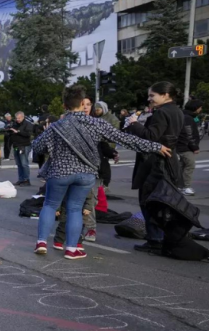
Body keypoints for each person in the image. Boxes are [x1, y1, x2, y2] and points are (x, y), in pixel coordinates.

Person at [33, 85, 168, 259]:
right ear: (83, 103)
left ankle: (42, 242)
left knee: (50, 205)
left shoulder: (55, 127)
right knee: (75, 209)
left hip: (59, 173)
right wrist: (155, 147)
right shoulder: (96, 123)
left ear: (64, 106)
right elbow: (124, 139)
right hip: (86, 174)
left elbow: (37, 147)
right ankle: (72, 249)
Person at [126, 82, 209, 260]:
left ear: (166, 95)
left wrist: (134, 124)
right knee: (161, 200)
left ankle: (155, 238)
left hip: (156, 162)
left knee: (149, 201)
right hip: (169, 159)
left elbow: (151, 137)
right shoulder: (177, 111)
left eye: (152, 96)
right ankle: (159, 237)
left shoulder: (161, 112)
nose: (149, 99)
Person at [178, 99, 203, 196]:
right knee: (190, 165)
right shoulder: (188, 118)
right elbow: (189, 134)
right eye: (200, 107)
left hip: (181, 145)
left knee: (182, 166)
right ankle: (186, 187)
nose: (201, 109)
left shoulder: (186, 116)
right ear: (195, 108)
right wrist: (194, 147)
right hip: (185, 146)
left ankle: (179, 186)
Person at [9, 111, 34, 186]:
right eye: (16, 118)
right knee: (19, 164)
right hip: (16, 146)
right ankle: (21, 179)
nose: (17, 120)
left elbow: (28, 134)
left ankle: (26, 180)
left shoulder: (28, 124)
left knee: (24, 163)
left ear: (23, 117)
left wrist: (18, 132)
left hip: (24, 145)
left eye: (19, 118)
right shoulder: (15, 124)